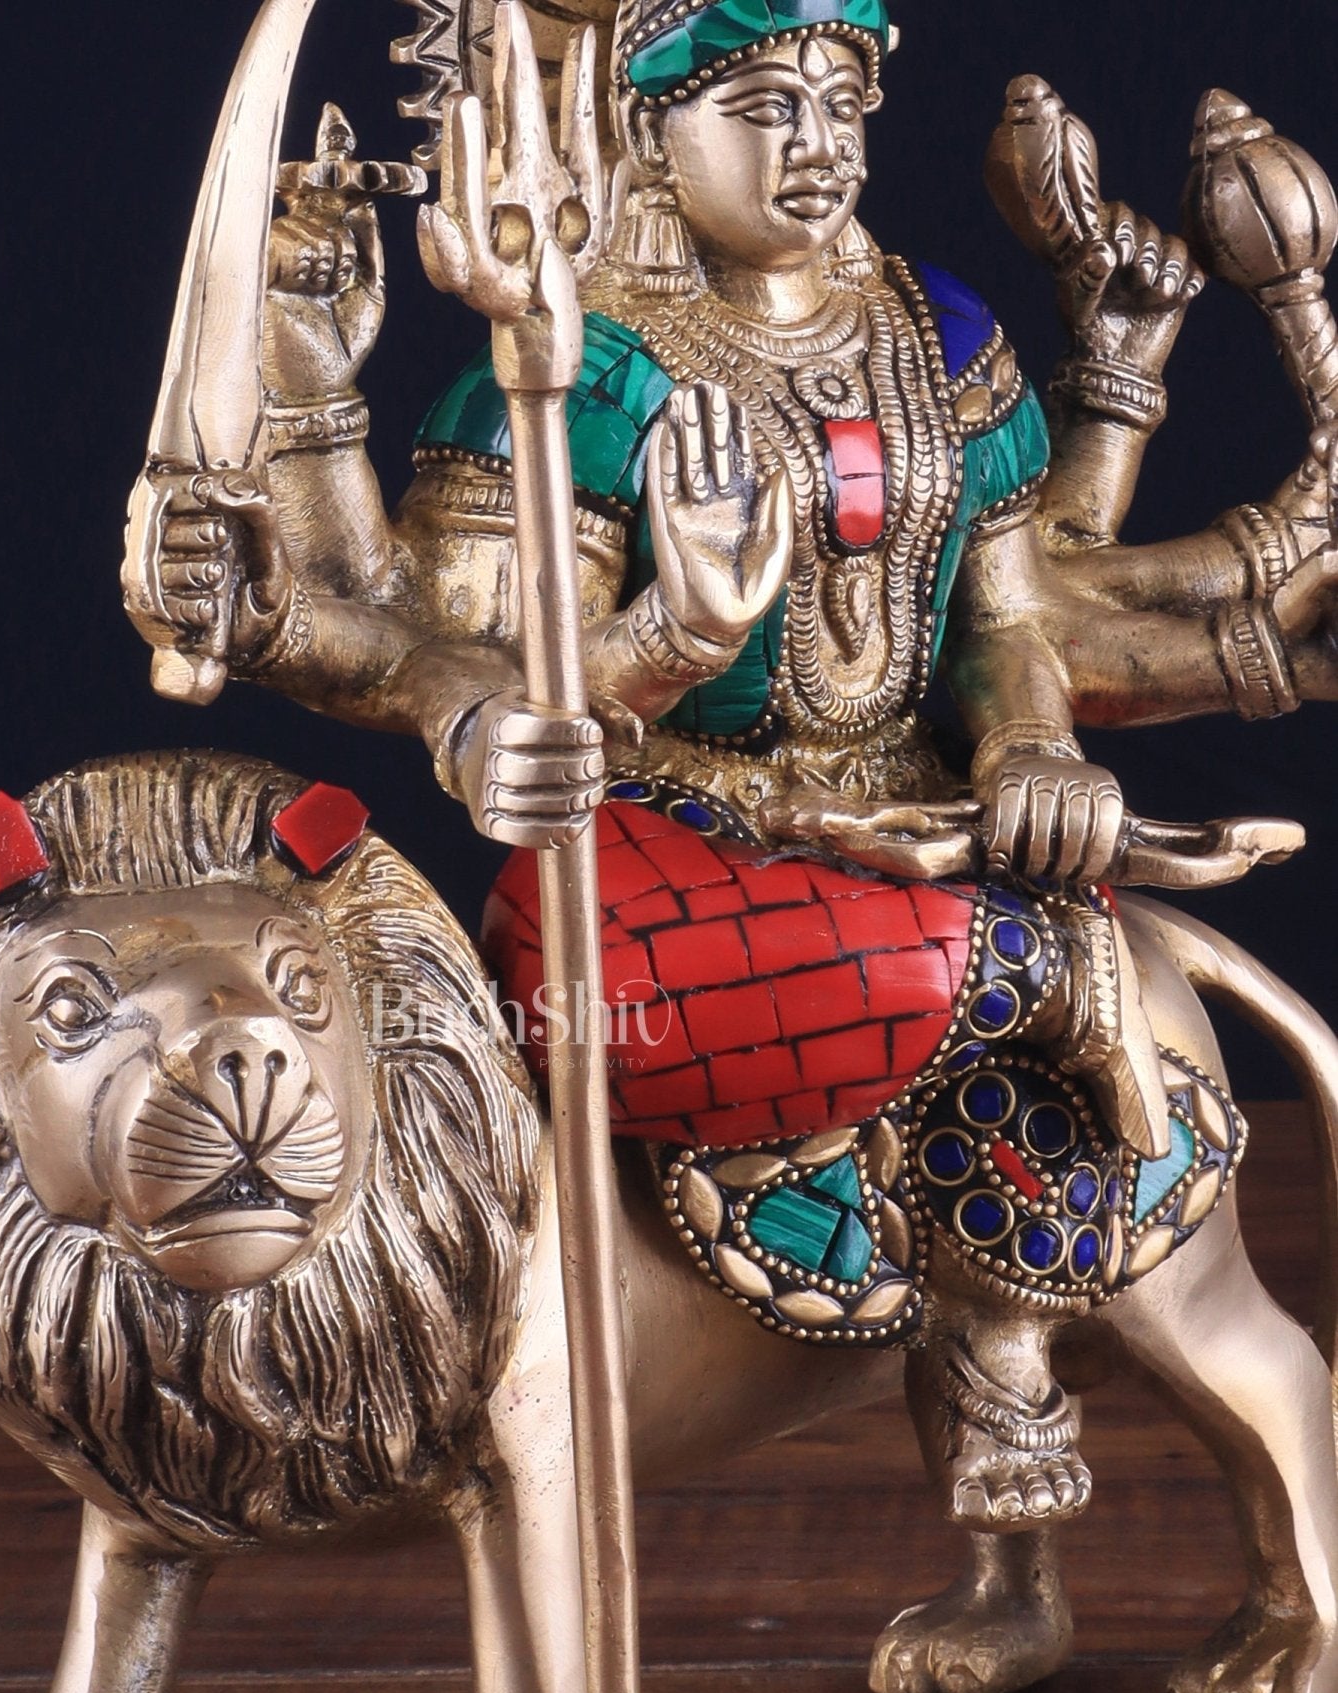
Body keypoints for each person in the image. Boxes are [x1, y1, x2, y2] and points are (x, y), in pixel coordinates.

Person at [136, 0, 1338, 1519]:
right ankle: (1028, 984)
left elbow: (1010, 615)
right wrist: (647, 637)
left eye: (841, 102)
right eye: (764, 105)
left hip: (923, 815)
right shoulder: (582, 377)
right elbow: (457, 650)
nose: (816, 143)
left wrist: (1031, 741)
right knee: (584, 1001)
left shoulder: (940, 336)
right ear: (648, 133)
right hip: (675, 836)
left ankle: (1040, 1347)